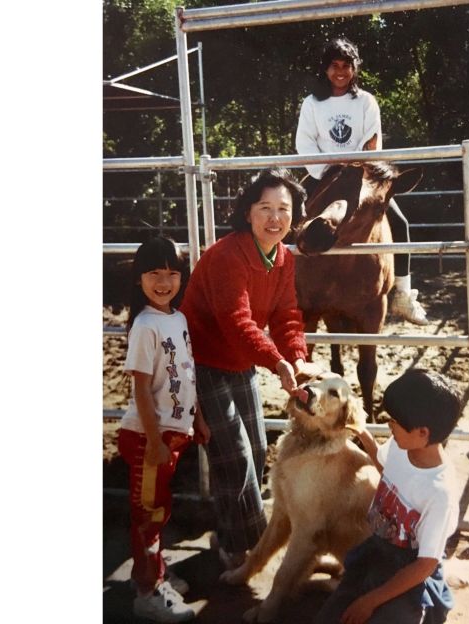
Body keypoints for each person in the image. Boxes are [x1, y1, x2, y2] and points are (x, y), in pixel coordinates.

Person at [180, 168, 319, 571]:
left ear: (294, 216)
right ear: (247, 213)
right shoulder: (228, 255)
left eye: (283, 209)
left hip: (240, 359)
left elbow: (287, 313)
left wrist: (295, 357)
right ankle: (243, 545)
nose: (275, 218)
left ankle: (237, 536)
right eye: (265, 208)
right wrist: (277, 362)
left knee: (256, 449)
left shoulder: (284, 258)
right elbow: (236, 321)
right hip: (203, 359)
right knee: (234, 455)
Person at [295, 37, 429, 325]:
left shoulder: (366, 101)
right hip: (324, 175)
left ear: (355, 68)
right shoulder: (312, 104)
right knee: (290, 217)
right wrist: (326, 169)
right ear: (325, 68)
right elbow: (305, 142)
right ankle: (279, 286)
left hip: (361, 176)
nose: (340, 71)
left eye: (346, 65)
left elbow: (372, 140)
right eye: (334, 65)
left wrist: (360, 166)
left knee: (400, 223)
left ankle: (403, 294)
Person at [314, 368, 462, 624]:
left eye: (395, 422)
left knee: (382, 615)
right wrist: (363, 434)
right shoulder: (400, 447)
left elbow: (425, 564)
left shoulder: (439, 492)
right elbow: (387, 468)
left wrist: (370, 601)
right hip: (378, 552)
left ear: (423, 433)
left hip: (410, 572)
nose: (389, 425)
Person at [118, 236, 211, 623]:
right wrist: (154, 440)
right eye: (154, 273)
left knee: (160, 509)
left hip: (172, 435)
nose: (164, 282)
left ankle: (155, 572)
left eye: (172, 274)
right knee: (148, 514)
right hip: (147, 438)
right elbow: (140, 386)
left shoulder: (178, 317)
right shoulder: (144, 325)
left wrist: (198, 418)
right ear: (139, 278)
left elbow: (187, 372)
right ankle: (147, 592)